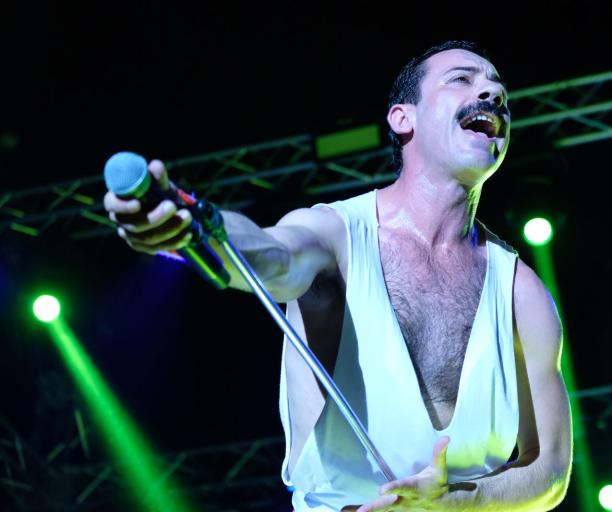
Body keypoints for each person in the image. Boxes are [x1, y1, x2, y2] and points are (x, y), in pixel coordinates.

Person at [104, 40, 572, 511]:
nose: (491, 93)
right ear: (402, 118)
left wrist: (452, 503)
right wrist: (198, 229)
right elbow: (274, 256)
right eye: (462, 80)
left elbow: (550, 471)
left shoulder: (522, 292)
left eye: (498, 90)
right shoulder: (338, 236)